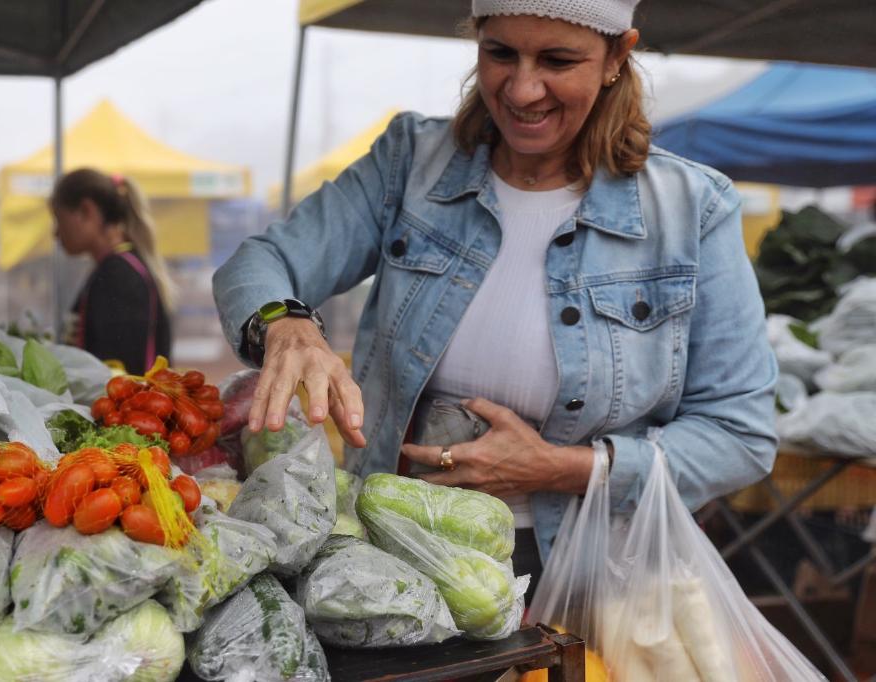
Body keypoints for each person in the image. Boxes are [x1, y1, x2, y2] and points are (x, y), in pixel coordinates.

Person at [213, 0, 777, 599]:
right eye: (500, 53)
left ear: (617, 55)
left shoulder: (693, 210)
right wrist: (288, 324)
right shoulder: (410, 164)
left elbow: (739, 434)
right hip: (392, 558)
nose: (523, 89)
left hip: (591, 571)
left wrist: (561, 468)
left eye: (558, 60)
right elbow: (259, 263)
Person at [51, 168, 174, 375]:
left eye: (58, 219)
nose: (55, 232)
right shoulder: (117, 268)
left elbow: (120, 373)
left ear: (86, 211)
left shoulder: (118, 276)